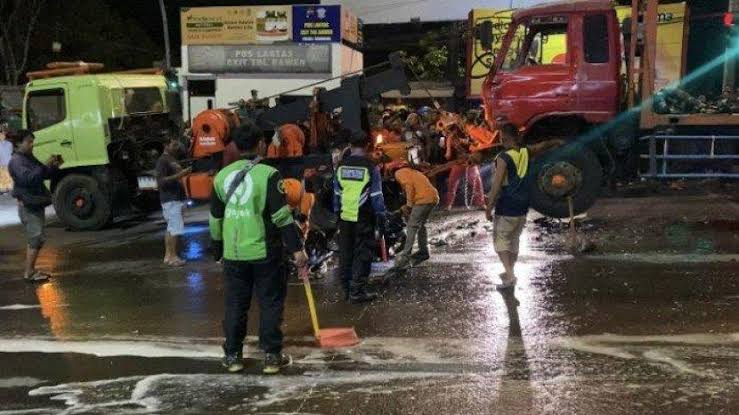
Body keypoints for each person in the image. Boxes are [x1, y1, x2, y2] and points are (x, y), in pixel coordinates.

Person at [210, 122, 308, 375]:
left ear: (234, 145)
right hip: (265, 252)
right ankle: (272, 357)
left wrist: (217, 250)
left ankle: (233, 356)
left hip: (234, 254)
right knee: (271, 304)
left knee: (235, 305)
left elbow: (215, 219)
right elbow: (282, 217)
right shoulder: (268, 174)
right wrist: (297, 249)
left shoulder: (221, 176)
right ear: (260, 144)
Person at [485, 123, 565, 288]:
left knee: (500, 241)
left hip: (507, 204)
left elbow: (497, 185)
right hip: (523, 204)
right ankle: (509, 272)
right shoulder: (526, 152)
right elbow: (542, 146)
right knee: (513, 240)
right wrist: (556, 141)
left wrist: (489, 207)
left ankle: (509, 274)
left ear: (503, 138)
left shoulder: (503, 157)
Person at [334, 131, 387, 303]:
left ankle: (346, 290)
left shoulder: (341, 166)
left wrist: (337, 213)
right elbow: (376, 195)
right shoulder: (371, 167)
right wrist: (381, 215)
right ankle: (357, 292)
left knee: (346, 252)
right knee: (363, 253)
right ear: (367, 146)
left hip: (345, 216)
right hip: (363, 216)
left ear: (350, 145)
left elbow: (337, 192)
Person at [8, 130, 63, 282]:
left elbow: (43, 174)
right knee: (36, 238)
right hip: (27, 205)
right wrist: (45, 164)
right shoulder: (16, 161)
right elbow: (29, 179)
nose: (32, 145)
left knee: (37, 238)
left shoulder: (27, 157)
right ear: (19, 143)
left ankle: (30, 271)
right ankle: (29, 273)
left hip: (34, 203)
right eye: (29, 142)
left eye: (32, 142)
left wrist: (53, 166)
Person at [388, 163, 439, 273]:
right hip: (433, 197)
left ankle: (405, 257)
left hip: (423, 200)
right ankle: (423, 251)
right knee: (421, 225)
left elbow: (409, 185)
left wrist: (409, 205)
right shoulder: (411, 172)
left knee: (412, 226)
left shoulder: (399, 173)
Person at [155, 139, 192, 267]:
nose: (177, 146)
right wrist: (181, 174)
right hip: (170, 199)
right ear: (166, 146)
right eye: (173, 144)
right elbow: (160, 181)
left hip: (176, 198)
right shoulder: (162, 161)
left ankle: (168, 255)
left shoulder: (171, 159)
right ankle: (173, 257)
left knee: (171, 228)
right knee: (175, 229)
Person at [0, 123, 14, 193]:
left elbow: (10, 154)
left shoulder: (9, 144)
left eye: (4, 133)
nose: (3, 134)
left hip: (8, 164)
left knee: (9, 185)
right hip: (2, 165)